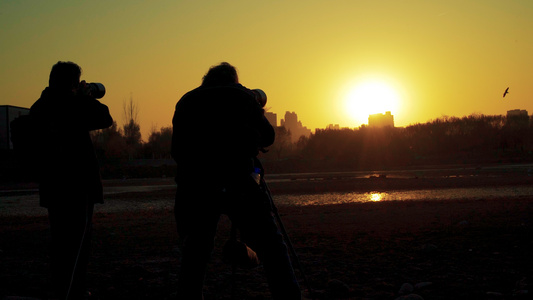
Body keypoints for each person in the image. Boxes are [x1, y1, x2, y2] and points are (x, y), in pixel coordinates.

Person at [171, 62, 301, 299]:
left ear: (206, 80)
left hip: (196, 187)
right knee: (272, 246)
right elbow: (269, 137)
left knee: (196, 252)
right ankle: (289, 296)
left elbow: (177, 150)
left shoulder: (186, 101)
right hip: (240, 182)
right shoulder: (241, 95)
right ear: (234, 80)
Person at [30, 61, 113, 299]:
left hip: (52, 185)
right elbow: (105, 117)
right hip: (77, 184)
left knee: (60, 242)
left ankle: (62, 288)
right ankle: (70, 291)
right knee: (78, 244)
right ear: (73, 83)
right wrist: (85, 97)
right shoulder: (71, 104)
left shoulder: (40, 105)